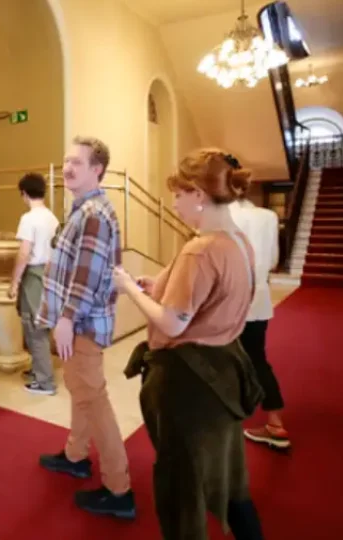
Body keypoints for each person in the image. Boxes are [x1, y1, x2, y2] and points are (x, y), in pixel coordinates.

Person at [113, 149, 265, 539]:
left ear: (198, 193)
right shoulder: (238, 242)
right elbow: (207, 299)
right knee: (228, 475)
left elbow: (172, 322)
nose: (174, 203)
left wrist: (129, 287)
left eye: (179, 194)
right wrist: (159, 285)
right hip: (224, 370)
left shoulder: (201, 249)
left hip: (190, 382)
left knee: (182, 482)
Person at [36, 136, 135, 520]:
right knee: (81, 390)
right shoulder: (84, 209)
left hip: (80, 323)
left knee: (93, 398)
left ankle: (119, 488)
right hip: (79, 320)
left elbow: (88, 274)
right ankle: (76, 456)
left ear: (98, 170)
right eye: (66, 160)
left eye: (78, 162)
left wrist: (65, 318)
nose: (68, 168)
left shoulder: (93, 212)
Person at [230, 197, 289, 450]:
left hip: (230, 298)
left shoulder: (224, 216)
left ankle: (227, 414)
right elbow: (274, 260)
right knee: (256, 358)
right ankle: (274, 420)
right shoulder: (268, 216)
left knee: (221, 356)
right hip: (260, 298)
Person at [8, 172, 60, 395]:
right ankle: (38, 369)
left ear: (24, 193)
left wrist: (14, 282)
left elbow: (24, 253)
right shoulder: (52, 217)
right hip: (50, 274)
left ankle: (45, 381)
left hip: (34, 274)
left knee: (34, 326)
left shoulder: (29, 218)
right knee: (42, 325)